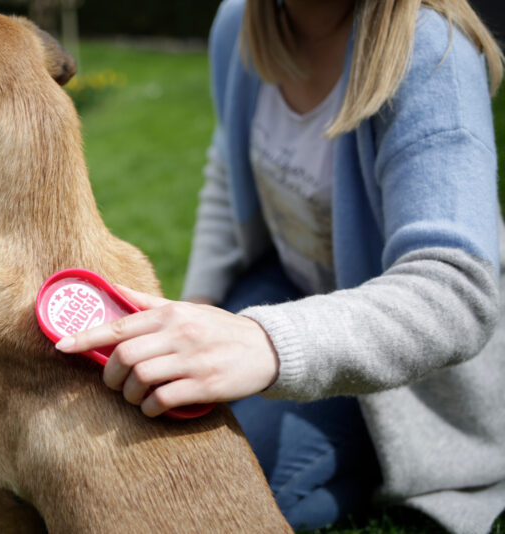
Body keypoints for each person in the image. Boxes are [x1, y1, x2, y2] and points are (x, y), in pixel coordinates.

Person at [54, 0, 505, 531]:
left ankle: (386, 462)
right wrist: (198, 309)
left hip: (407, 374)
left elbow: (457, 290)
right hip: (285, 288)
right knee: (141, 436)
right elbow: (231, 166)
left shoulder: (434, 53)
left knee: (203, 503)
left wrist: (264, 343)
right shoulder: (238, 22)